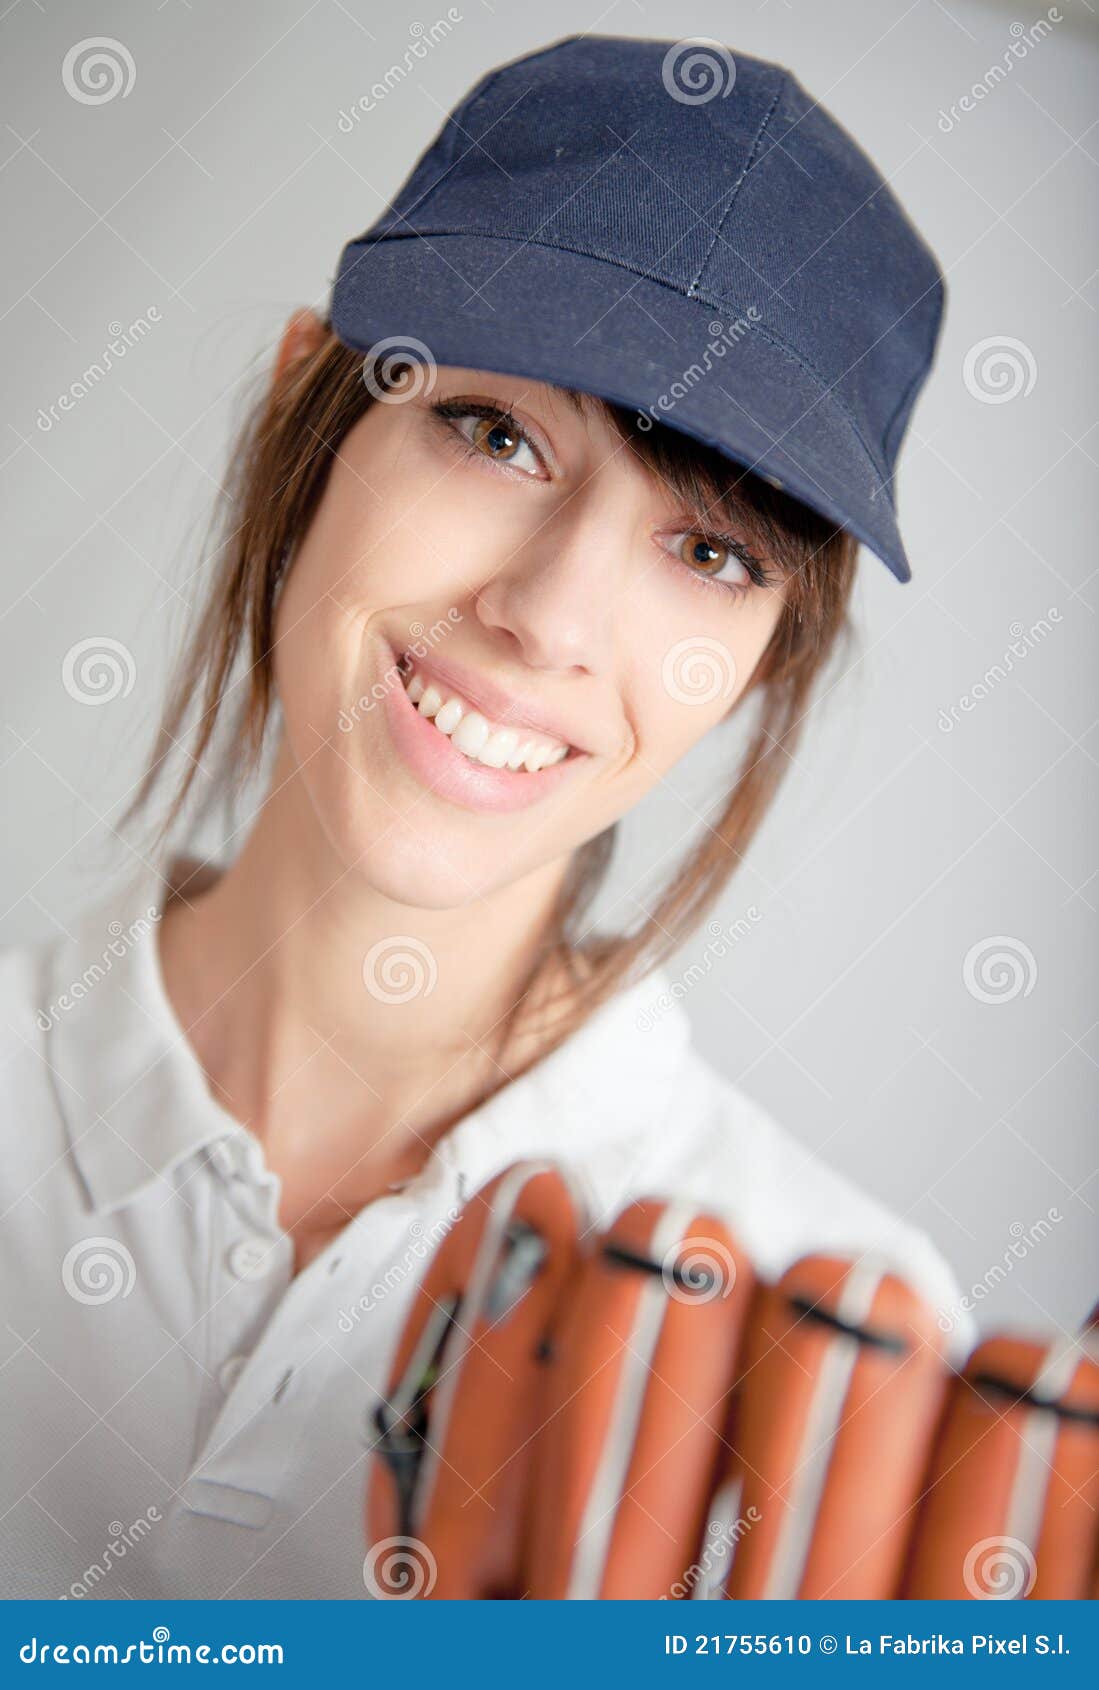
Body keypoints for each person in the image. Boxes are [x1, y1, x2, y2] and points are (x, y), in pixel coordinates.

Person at [0, 35, 970, 1600]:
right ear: (311, 401)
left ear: (761, 661)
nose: (552, 617)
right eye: (497, 432)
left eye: (712, 550)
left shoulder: (829, 1345)